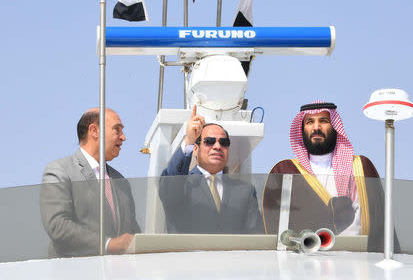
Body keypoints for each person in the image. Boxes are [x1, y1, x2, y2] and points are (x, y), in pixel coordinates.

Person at [263, 101, 397, 252]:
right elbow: (273, 228)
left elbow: (382, 221)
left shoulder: (361, 166)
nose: (316, 127)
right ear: (302, 129)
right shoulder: (286, 170)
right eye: (309, 122)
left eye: (324, 121)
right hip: (305, 264)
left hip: (359, 262)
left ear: (335, 126)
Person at [40, 108, 140, 257]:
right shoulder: (60, 170)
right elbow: (57, 225)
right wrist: (107, 244)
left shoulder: (121, 182)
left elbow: (131, 233)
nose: (123, 137)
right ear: (94, 130)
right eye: (117, 130)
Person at [159, 105, 263, 234]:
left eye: (223, 142)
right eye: (209, 141)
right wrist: (189, 141)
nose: (217, 146)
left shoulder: (245, 191)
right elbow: (169, 184)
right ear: (195, 150)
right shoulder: (182, 184)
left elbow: (255, 237)